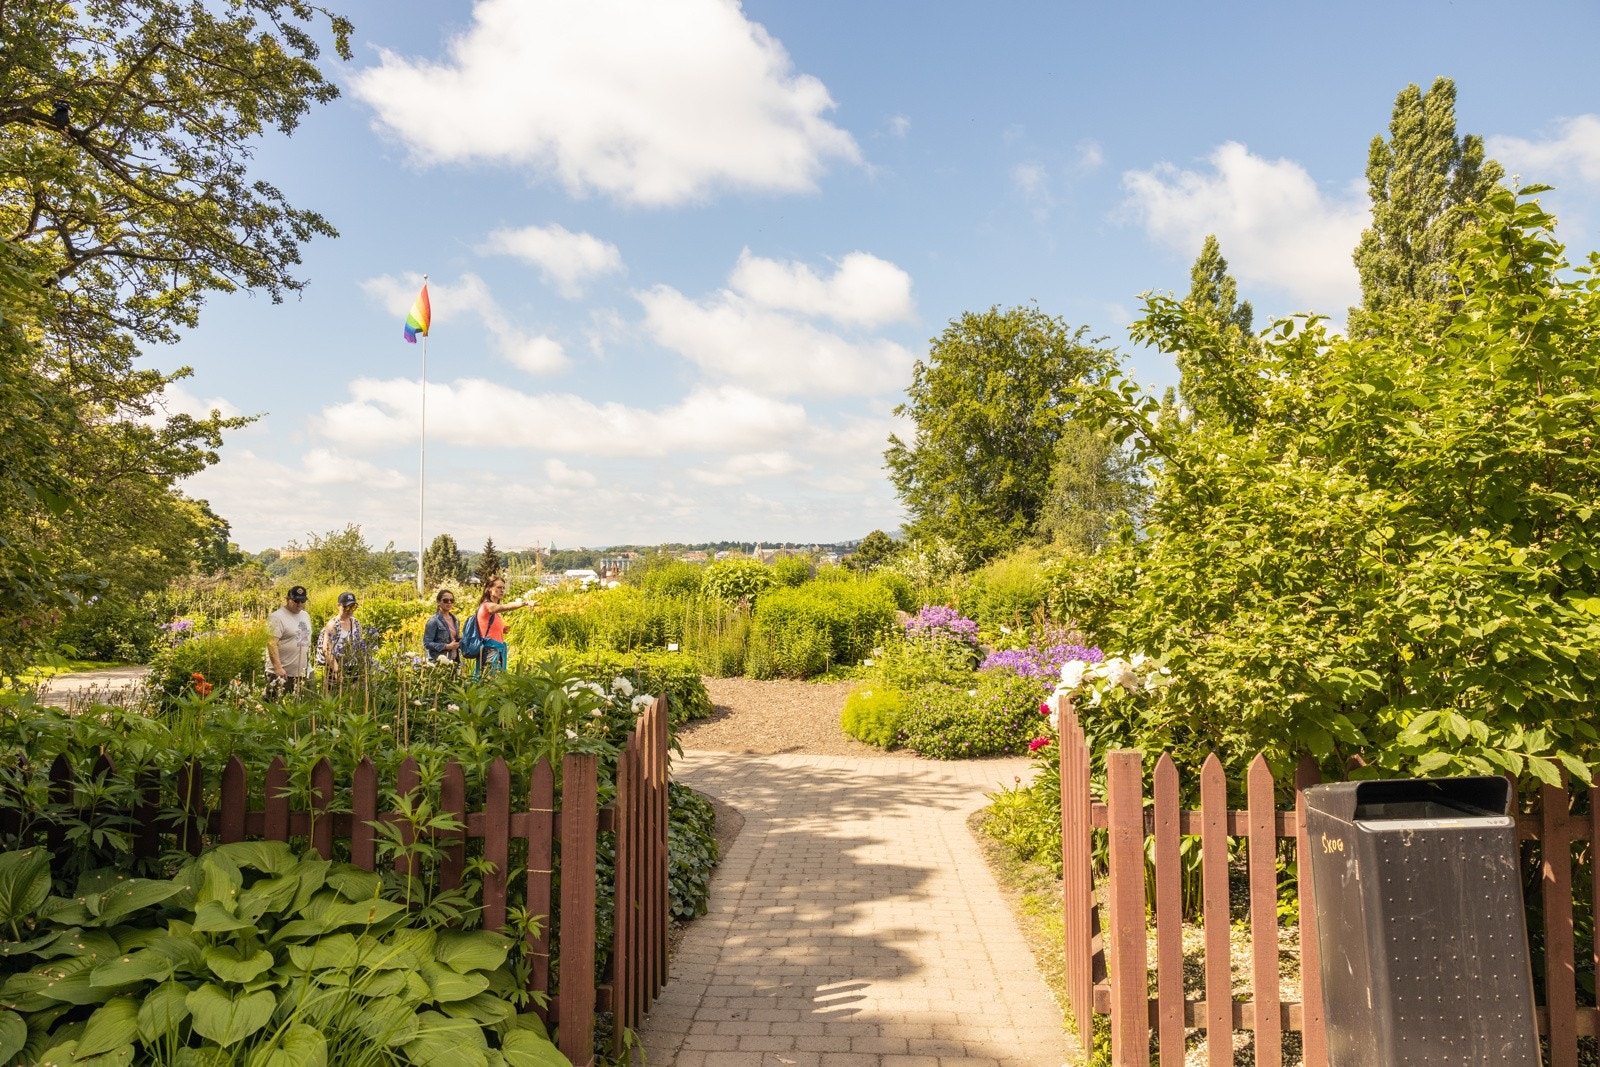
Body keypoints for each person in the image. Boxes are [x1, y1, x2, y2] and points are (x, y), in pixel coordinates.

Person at [473, 576, 532, 675]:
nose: (502, 590)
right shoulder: (487, 606)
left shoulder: (494, 611)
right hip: (490, 650)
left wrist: (502, 629)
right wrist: (525, 603)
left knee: (497, 681)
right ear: (489, 589)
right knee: (490, 682)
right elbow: (506, 606)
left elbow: (488, 628)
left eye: (503, 588)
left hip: (497, 649)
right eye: (499, 587)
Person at [264, 585, 313, 696]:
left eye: (303, 601)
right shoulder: (277, 617)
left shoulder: (305, 615)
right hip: (282, 673)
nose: (299, 604)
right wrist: (278, 668)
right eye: (296, 601)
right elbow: (272, 643)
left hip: (304, 672)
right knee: (273, 706)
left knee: (307, 705)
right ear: (287, 599)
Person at [319, 591, 369, 688]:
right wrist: (337, 671)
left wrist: (363, 667)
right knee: (336, 696)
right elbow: (327, 650)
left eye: (353, 607)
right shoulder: (333, 625)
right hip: (336, 666)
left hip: (353, 666)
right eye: (346, 607)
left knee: (353, 698)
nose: (350, 610)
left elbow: (359, 645)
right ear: (338, 606)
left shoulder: (355, 622)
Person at [423, 588, 461, 664]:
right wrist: (447, 646)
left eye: (451, 600)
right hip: (438, 662)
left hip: (453, 661)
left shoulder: (455, 620)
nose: (449, 602)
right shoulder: (434, 620)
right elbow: (427, 643)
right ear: (438, 602)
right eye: (446, 600)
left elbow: (453, 639)